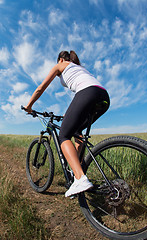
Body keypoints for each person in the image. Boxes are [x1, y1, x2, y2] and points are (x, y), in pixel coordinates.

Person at [23, 50, 110, 198]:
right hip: (103, 96)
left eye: (58, 61)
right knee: (77, 134)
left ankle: (80, 178)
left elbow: (41, 88)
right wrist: (68, 114)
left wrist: (29, 106)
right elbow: (85, 89)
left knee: (63, 135)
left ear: (60, 60)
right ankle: (78, 172)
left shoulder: (61, 66)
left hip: (87, 93)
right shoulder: (79, 68)